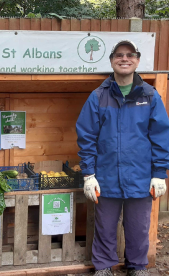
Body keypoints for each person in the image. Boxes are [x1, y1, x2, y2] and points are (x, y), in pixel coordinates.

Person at [76, 40, 169, 276]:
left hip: (140, 177)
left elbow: (161, 136)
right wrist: (89, 174)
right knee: (105, 226)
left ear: (137, 60)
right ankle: (103, 267)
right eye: (119, 55)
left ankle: (137, 266)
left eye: (130, 55)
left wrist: (159, 174)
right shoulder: (98, 96)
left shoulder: (150, 96)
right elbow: (86, 136)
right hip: (106, 177)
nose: (124, 59)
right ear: (111, 60)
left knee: (138, 227)